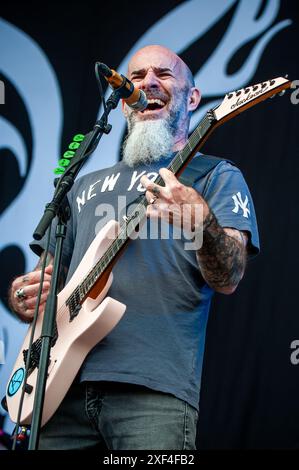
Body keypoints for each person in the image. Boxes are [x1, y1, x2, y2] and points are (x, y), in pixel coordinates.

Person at [8, 45, 259, 450]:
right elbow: (47, 282)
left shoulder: (215, 175)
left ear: (193, 97)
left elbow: (229, 277)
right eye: (138, 77)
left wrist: (202, 222)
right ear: (123, 100)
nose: (149, 84)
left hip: (151, 392)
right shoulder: (84, 185)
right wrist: (25, 296)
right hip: (58, 390)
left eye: (165, 74)